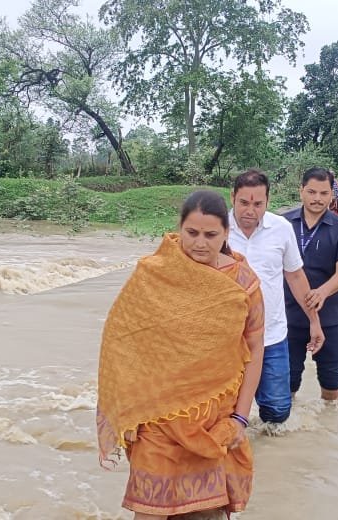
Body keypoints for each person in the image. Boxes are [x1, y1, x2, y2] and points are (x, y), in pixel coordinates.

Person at [96, 190, 265, 519]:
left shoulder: (243, 283)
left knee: (206, 513)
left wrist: (240, 419)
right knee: (149, 512)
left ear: (226, 233)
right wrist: (127, 412)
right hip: (157, 421)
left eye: (210, 235)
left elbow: (255, 348)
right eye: (192, 233)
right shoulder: (154, 274)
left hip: (213, 423)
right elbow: (124, 342)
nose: (200, 243)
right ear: (179, 229)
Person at [227, 170, 324, 426]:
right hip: (226, 339)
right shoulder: (217, 230)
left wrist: (314, 321)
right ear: (232, 198)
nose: (250, 211)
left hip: (272, 336)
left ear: (267, 202)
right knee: (225, 409)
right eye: (244, 203)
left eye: (258, 204)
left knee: (277, 411)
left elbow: (295, 277)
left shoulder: (280, 228)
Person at [284, 168, 338, 402]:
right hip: (289, 312)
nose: (317, 198)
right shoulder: (283, 224)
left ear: (332, 195)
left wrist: (322, 292)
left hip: (330, 314)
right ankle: (284, 427)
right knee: (287, 379)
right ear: (301, 191)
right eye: (311, 192)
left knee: (331, 378)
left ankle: (329, 424)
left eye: (323, 193)